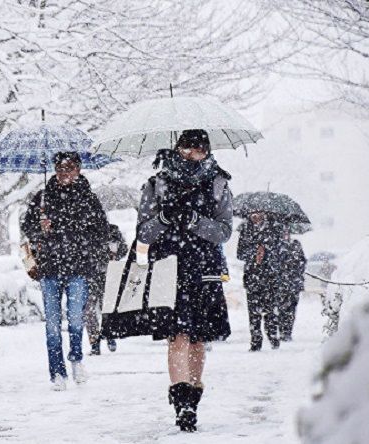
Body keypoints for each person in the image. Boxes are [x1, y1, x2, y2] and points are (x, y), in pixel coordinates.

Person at [135, 129, 233, 432]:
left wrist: (195, 221)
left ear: (207, 150)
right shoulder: (157, 184)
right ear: (178, 148)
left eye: (199, 148)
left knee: (197, 337)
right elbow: (143, 233)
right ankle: (181, 403)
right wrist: (165, 218)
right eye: (188, 148)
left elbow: (224, 232)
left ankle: (193, 396)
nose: (194, 154)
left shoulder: (218, 183)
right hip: (169, 268)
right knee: (176, 336)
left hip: (204, 269)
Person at [20, 151, 109, 391]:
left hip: (78, 268)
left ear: (78, 170)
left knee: (76, 318)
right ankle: (56, 373)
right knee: (51, 323)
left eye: (69, 168)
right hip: (49, 268)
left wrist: (74, 233)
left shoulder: (88, 199)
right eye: (59, 168)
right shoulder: (42, 198)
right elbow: (27, 227)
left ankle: (77, 358)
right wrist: (40, 228)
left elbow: (102, 231)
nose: (63, 173)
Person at [237, 212, 287, 351]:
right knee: (253, 313)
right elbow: (240, 253)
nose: (255, 216)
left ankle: (272, 336)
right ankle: (255, 341)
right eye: (253, 213)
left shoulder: (274, 229)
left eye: (258, 213)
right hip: (252, 278)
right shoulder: (246, 230)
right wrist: (254, 252)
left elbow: (281, 252)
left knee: (270, 310)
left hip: (270, 278)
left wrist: (266, 251)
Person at [84, 223, 128, 355]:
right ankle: (95, 342)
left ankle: (109, 335)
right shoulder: (84, 230)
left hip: (107, 274)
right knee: (89, 310)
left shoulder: (112, 230)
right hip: (89, 275)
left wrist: (114, 252)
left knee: (106, 307)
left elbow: (124, 249)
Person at [278, 230, 306, 341]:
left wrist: (295, 268)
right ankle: (282, 331)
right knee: (281, 308)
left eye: (286, 233)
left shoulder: (296, 244)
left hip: (294, 283)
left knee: (291, 308)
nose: (285, 235)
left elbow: (302, 262)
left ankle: (287, 331)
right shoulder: (277, 245)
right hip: (281, 283)